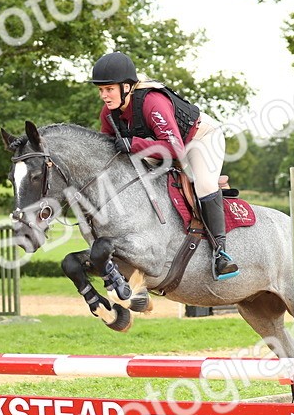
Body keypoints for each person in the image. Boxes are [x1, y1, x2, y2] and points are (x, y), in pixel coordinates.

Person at [89, 51, 239, 280]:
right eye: (101, 90)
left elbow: (175, 149)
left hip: (200, 140)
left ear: (127, 87)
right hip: (164, 145)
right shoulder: (109, 113)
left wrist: (133, 143)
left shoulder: (152, 102)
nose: (104, 96)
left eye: (109, 89)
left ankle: (221, 253)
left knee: (204, 184)